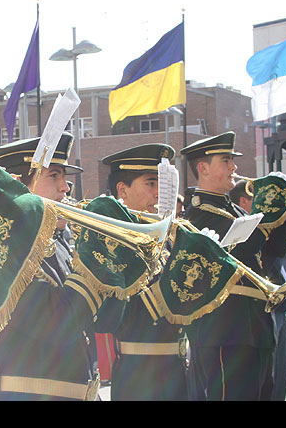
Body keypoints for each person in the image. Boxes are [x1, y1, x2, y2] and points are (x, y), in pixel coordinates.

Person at [0, 133, 110, 400]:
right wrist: (96, 264)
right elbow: (58, 325)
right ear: (18, 185)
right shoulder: (4, 251)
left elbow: (108, 320)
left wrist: (119, 268)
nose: (66, 188)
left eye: (64, 177)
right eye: (53, 176)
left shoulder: (59, 243)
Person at [180, 132, 286, 401]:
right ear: (203, 168)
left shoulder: (236, 211)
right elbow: (237, 252)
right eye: (226, 160)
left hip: (255, 326)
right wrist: (267, 212)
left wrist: (284, 212)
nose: (234, 167)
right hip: (225, 331)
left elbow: (275, 251)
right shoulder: (198, 213)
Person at [100, 144, 190, 401]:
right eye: (150, 183)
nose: (159, 193)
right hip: (139, 374)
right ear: (122, 190)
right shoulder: (115, 239)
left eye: (161, 183)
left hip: (178, 366)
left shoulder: (167, 235)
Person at [229, 179, 286, 401]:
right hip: (263, 307)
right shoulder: (246, 224)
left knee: (280, 376)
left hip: (282, 302)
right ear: (245, 201)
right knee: (267, 377)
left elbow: (281, 251)